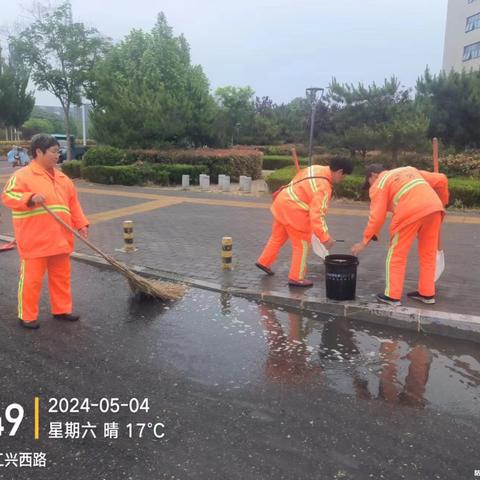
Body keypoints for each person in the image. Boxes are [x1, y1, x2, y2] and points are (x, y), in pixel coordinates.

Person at [1, 134, 89, 329]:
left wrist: (81, 224)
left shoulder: (63, 178)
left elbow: (73, 204)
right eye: (54, 151)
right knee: (32, 280)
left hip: (60, 239)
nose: (58, 155)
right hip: (35, 240)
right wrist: (30, 198)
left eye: (58, 151)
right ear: (38, 152)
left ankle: (62, 309)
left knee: (61, 277)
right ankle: (27, 315)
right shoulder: (22, 175)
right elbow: (7, 196)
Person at [351, 164, 449, 306]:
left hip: (408, 212)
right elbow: (442, 179)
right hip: (434, 209)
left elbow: (377, 217)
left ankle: (392, 296)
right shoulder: (410, 170)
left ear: (373, 175)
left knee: (397, 254)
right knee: (428, 253)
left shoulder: (379, 183)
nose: (370, 187)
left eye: (368, 182)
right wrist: (443, 202)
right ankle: (427, 294)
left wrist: (364, 241)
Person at [256, 157, 354, 287]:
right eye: (344, 176)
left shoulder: (316, 168)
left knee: (277, 238)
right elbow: (317, 215)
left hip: (282, 203)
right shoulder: (324, 187)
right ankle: (297, 277)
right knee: (301, 246)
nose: (342, 179)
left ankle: (264, 261)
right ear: (340, 172)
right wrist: (325, 238)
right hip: (295, 212)